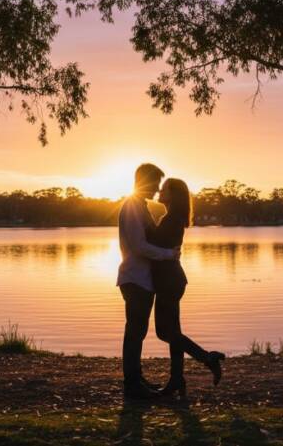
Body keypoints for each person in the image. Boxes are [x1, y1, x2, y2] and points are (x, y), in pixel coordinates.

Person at [150, 178, 225, 397]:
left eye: (163, 189)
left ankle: (207, 358)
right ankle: (177, 379)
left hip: (169, 281)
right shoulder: (172, 217)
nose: (159, 192)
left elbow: (153, 244)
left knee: (164, 332)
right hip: (171, 280)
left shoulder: (171, 219)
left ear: (173, 194)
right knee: (172, 332)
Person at [117, 163, 181, 400]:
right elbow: (138, 246)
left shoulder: (141, 207)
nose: (156, 189)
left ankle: (137, 379)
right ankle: (132, 384)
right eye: (154, 183)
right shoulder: (132, 206)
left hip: (143, 280)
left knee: (139, 331)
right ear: (144, 181)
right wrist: (168, 255)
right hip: (134, 279)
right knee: (134, 331)